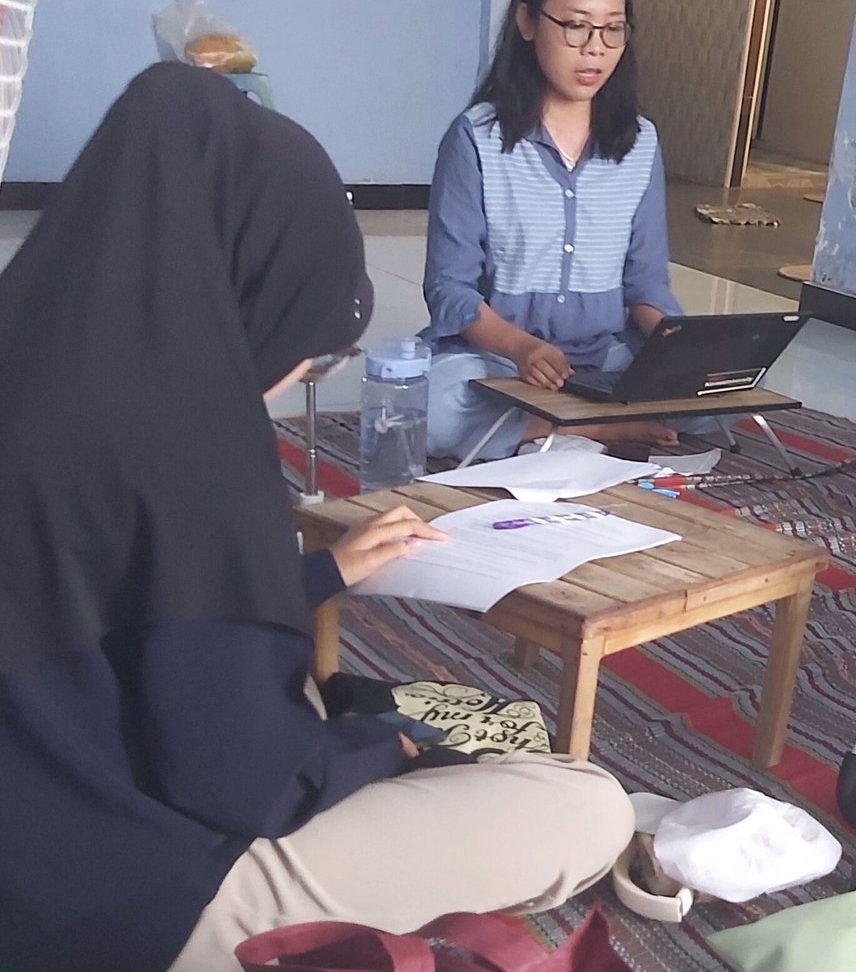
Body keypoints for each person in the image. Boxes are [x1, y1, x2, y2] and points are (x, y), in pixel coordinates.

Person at [0, 65, 632, 972]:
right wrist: (379, 748)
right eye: (314, 353)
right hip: (109, 904)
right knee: (583, 803)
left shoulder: (31, 357)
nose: (301, 375)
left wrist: (319, 574)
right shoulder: (193, 446)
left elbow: (91, 603)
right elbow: (240, 777)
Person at [423, 0, 683, 459]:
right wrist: (521, 348)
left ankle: (551, 424)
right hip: (500, 359)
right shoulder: (476, 139)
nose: (595, 49)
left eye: (613, 29)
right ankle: (590, 426)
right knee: (428, 411)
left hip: (603, 358)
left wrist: (684, 352)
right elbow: (449, 288)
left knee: (708, 398)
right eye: (575, 26)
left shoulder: (640, 143)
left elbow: (646, 284)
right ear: (527, 21)